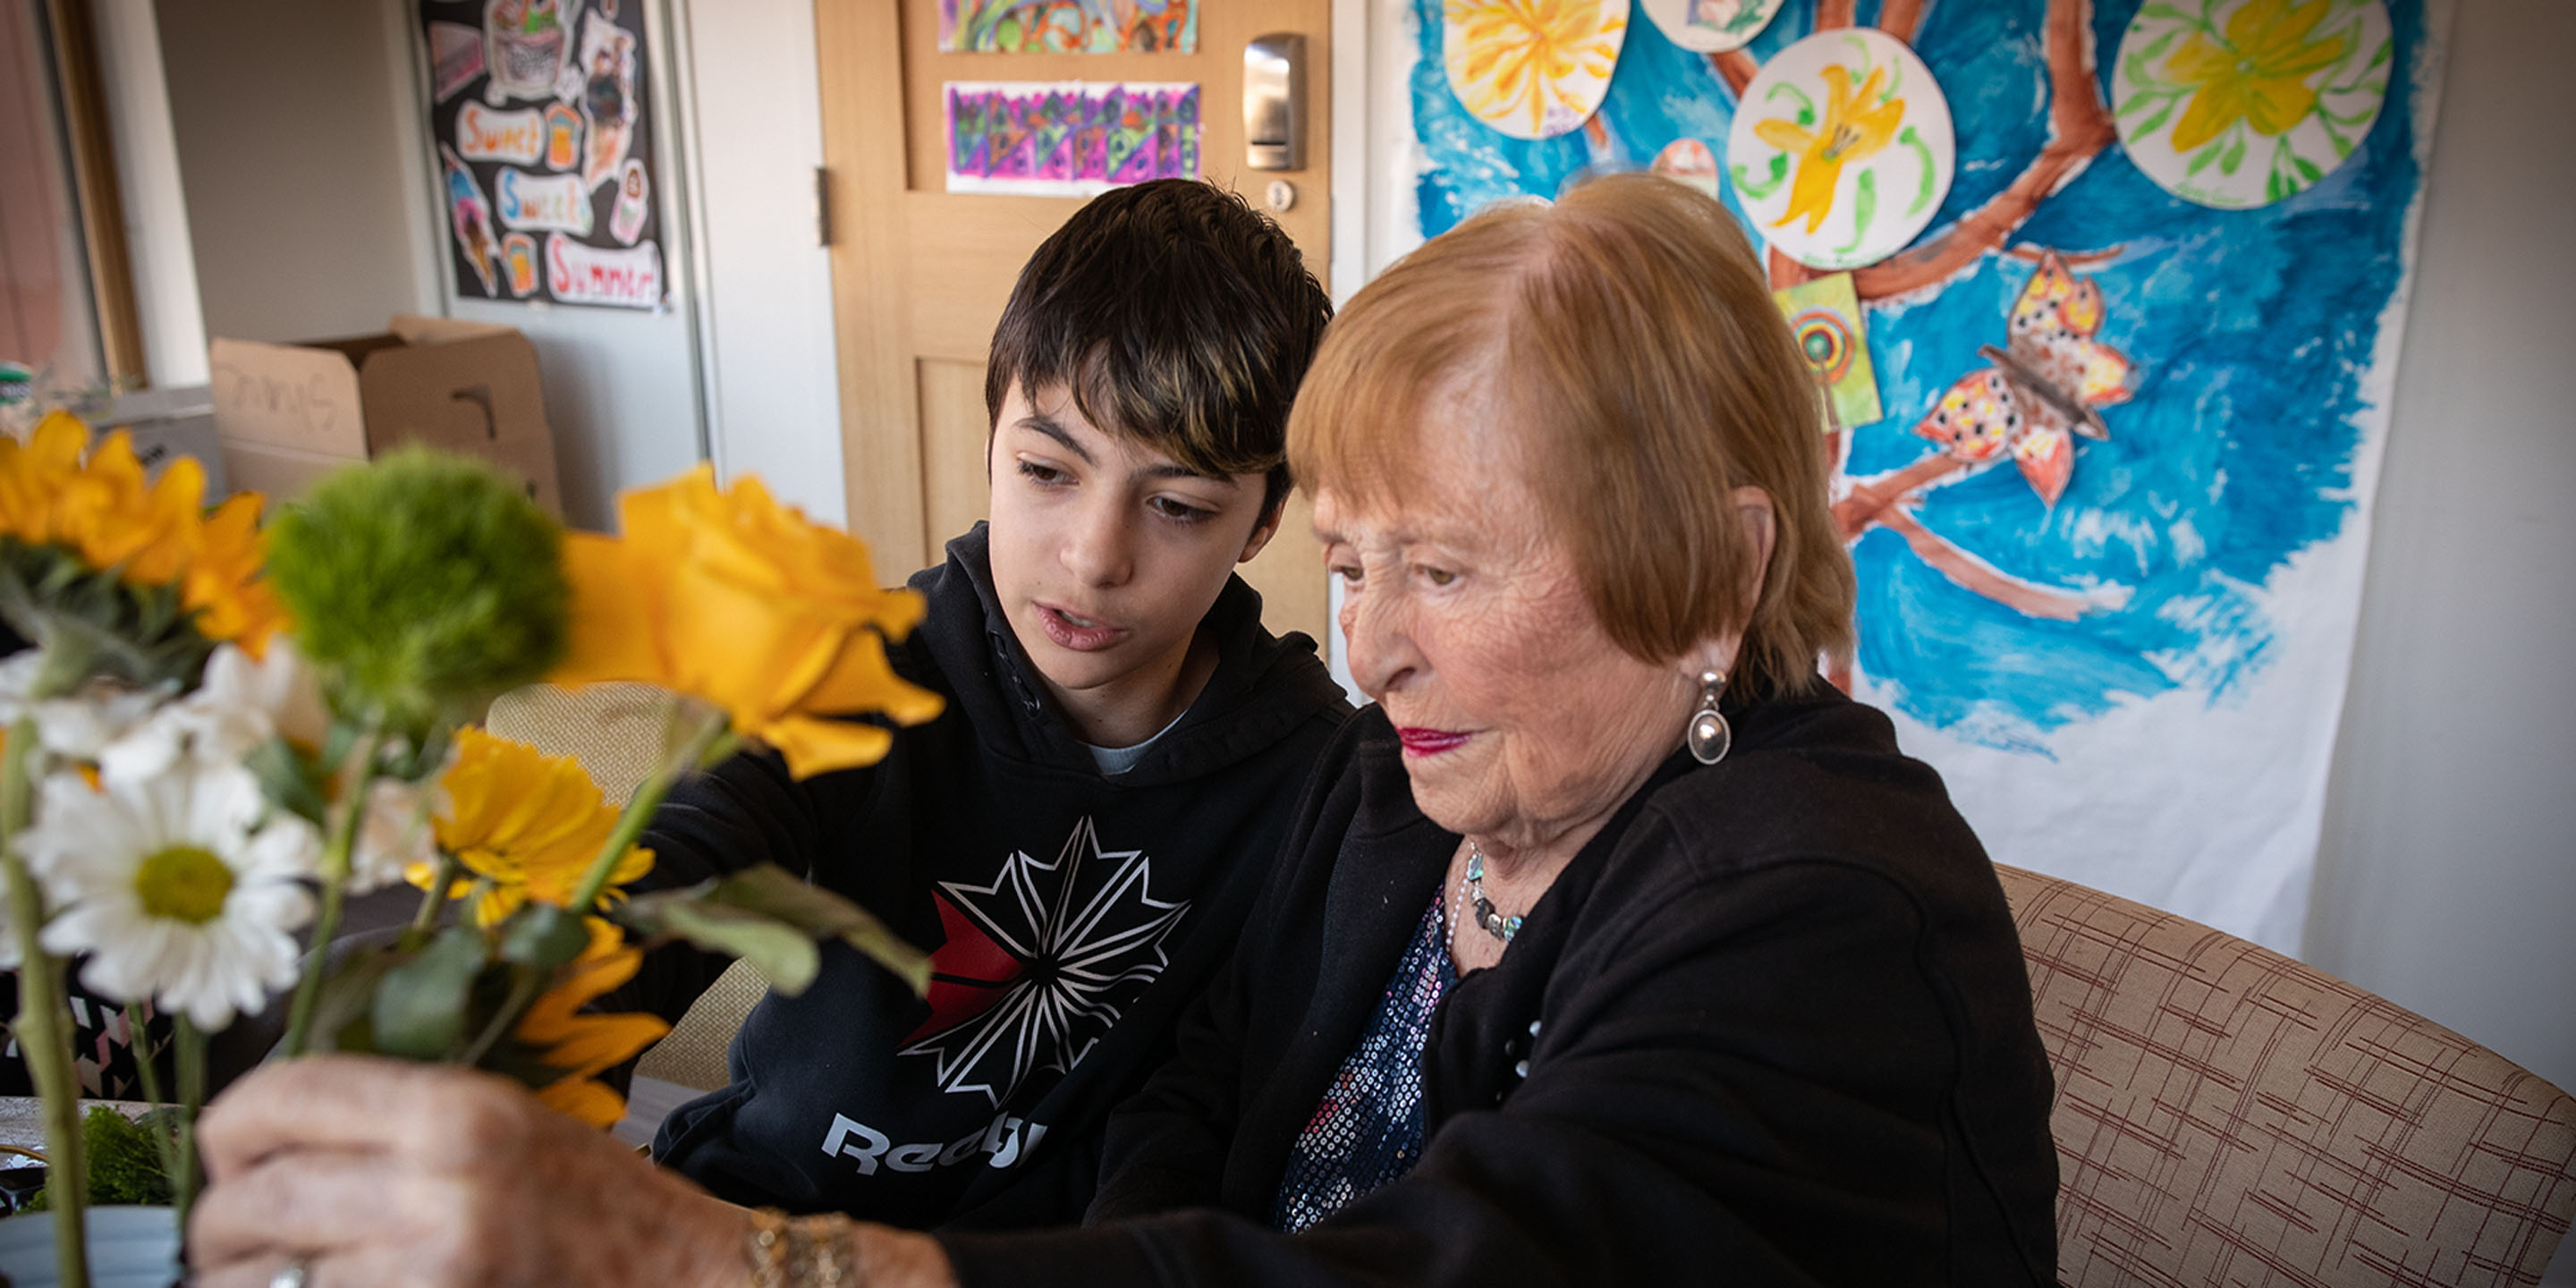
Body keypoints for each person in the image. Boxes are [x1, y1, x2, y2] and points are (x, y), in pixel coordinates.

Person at [188, 174, 2058, 1287]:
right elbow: (1206, 1078)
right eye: (1354, 565)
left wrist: (724, 1264)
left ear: (1721, 578)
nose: (1376, 649)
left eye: (1454, 574)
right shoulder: (1425, 798)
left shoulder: (1821, 917)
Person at [633, 177, 1349, 1228]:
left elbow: (1213, 1125)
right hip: (772, 1222)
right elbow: (672, 872)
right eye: (1046, 471)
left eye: (1178, 506)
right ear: (989, 439)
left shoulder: (1312, 777)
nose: (1094, 558)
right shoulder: (852, 670)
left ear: (1263, 521)